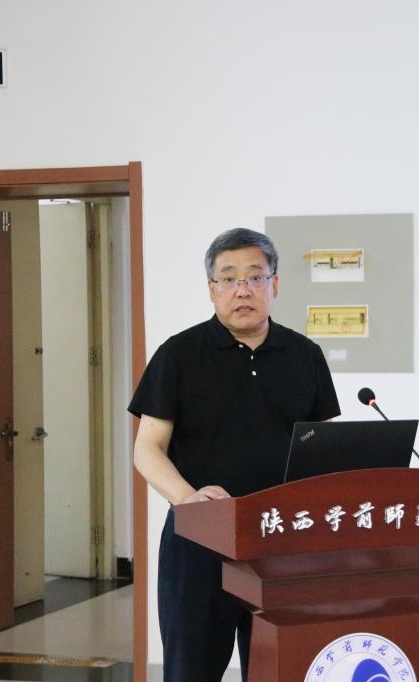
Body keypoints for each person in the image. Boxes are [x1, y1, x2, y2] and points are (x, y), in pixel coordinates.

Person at [128, 228, 340, 682]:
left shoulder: (305, 355)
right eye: (228, 278)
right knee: (192, 671)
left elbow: (322, 447)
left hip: (283, 543)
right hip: (200, 544)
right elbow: (147, 449)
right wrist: (187, 499)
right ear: (212, 289)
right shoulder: (178, 355)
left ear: (274, 285)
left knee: (282, 670)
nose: (242, 290)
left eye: (255, 277)